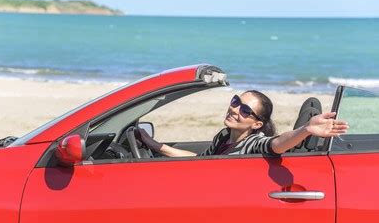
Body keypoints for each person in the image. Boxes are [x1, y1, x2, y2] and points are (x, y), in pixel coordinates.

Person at [138, 90, 349, 157]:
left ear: (256, 124)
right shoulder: (224, 136)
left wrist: (305, 130)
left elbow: (276, 144)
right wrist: (155, 145)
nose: (234, 108)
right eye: (236, 101)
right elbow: (201, 160)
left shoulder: (253, 143)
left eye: (245, 110)